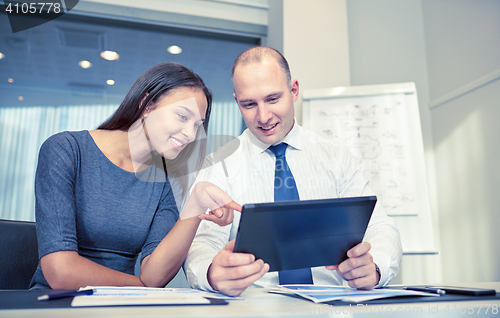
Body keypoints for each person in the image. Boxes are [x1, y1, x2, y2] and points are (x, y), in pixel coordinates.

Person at [184, 47, 402, 296]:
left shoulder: (336, 157)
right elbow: (201, 243)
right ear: (237, 102)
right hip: (253, 309)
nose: (263, 117)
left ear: (294, 90)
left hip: (330, 305)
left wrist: (374, 266)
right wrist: (211, 273)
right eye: (249, 104)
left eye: (273, 99)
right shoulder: (218, 166)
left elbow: (380, 226)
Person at [30, 62, 240, 290]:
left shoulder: (161, 180)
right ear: (147, 105)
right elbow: (60, 272)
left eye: (197, 125)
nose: (191, 134)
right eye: (182, 116)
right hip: (57, 304)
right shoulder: (66, 150)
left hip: (122, 306)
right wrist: (140, 286)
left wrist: (196, 204)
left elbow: (155, 275)